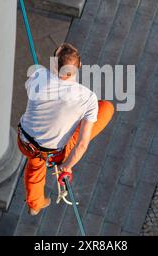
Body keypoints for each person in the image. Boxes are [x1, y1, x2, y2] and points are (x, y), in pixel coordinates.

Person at [17, 43, 114, 215]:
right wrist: (67, 166)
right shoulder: (87, 98)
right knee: (106, 108)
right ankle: (35, 202)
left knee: (36, 161)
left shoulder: (38, 75)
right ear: (80, 67)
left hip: (24, 142)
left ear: (54, 65)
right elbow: (82, 145)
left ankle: (35, 203)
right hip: (54, 153)